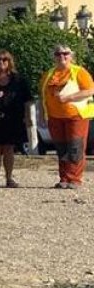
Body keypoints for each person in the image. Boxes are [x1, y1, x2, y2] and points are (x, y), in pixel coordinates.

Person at [39, 44, 94, 188]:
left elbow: (89, 91)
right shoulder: (48, 74)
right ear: (54, 57)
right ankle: (64, 178)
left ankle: (74, 179)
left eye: (65, 53)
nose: (61, 56)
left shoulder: (79, 72)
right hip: (54, 117)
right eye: (58, 54)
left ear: (71, 56)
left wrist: (69, 98)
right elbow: (43, 96)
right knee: (61, 147)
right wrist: (42, 115)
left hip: (76, 115)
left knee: (75, 147)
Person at [0, 50, 31, 187]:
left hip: (13, 118)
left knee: (9, 149)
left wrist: (28, 117)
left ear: (9, 61)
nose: (1, 62)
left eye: (4, 60)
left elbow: (27, 101)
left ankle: (9, 178)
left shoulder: (18, 79)